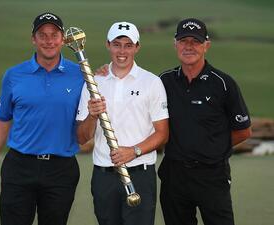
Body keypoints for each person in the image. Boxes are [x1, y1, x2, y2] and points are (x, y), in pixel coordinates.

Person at [0, 12, 84, 225]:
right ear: (33, 39)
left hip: (61, 169)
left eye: (54, 35)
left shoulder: (81, 75)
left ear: (63, 39)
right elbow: (2, 122)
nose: (48, 41)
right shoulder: (14, 75)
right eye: (42, 35)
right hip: (20, 166)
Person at [158, 18, 252, 225]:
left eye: (195, 41)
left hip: (212, 175)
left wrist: (212, 149)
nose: (189, 46)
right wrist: (106, 71)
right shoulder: (163, 81)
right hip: (174, 175)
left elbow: (243, 131)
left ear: (206, 45)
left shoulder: (224, 84)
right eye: (184, 41)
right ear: (175, 44)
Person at [76, 21, 169, 225]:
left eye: (128, 45)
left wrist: (133, 151)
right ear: (108, 45)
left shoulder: (151, 82)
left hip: (140, 174)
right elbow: (82, 138)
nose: (122, 51)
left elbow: (162, 133)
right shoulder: (93, 83)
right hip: (103, 176)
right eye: (117, 44)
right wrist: (92, 116)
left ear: (137, 47)